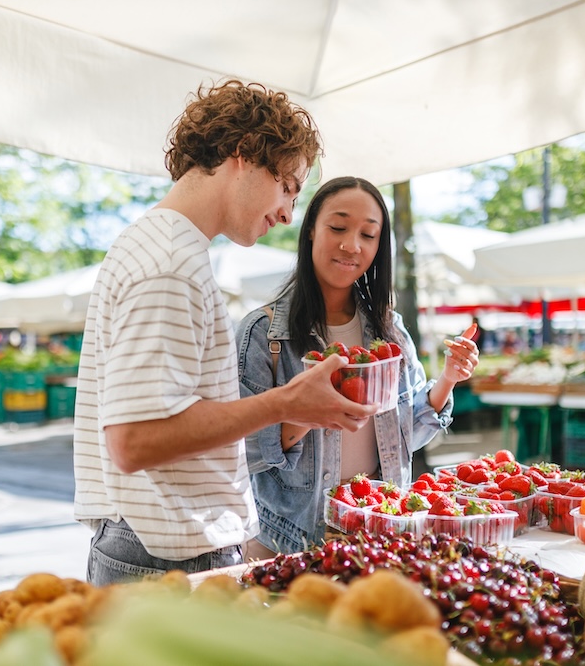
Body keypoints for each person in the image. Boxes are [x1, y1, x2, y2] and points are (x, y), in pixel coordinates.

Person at [73, 80, 379, 586]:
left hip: (151, 546)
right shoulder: (170, 264)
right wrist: (285, 403)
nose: (286, 213)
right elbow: (134, 440)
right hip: (165, 556)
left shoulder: (161, 247)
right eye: (287, 186)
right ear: (244, 154)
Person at [235, 176, 480, 557]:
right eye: (338, 227)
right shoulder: (265, 333)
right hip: (292, 543)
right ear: (311, 229)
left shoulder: (389, 331)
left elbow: (404, 437)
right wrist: (308, 412)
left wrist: (449, 379)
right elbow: (239, 450)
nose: (352, 245)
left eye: (368, 235)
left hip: (380, 533)